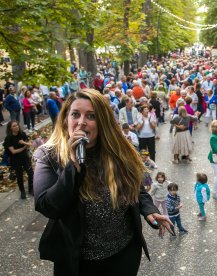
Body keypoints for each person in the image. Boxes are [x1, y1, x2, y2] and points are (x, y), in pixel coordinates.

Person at [33, 89, 172, 276]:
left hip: (123, 255)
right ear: (66, 119)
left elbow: (135, 188)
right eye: (75, 114)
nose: (81, 122)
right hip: (79, 263)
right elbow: (47, 207)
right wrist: (73, 167)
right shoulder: (49, 155)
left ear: (102, 122)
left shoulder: (117, 149)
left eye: (91, 116)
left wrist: (149, 209)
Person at [4, 121, 33, 199]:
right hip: (15, 159)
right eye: (14, 126)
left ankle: (31, 189)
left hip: (25, 157)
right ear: (10, 128)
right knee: (19, 175)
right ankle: (22, 191)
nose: (16, 127)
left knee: (30, 173)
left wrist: (24, 143)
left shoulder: (22, 134)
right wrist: (24, 147)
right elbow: (13, 151)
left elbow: (29, 144)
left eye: (17, 125)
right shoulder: (8, 138)